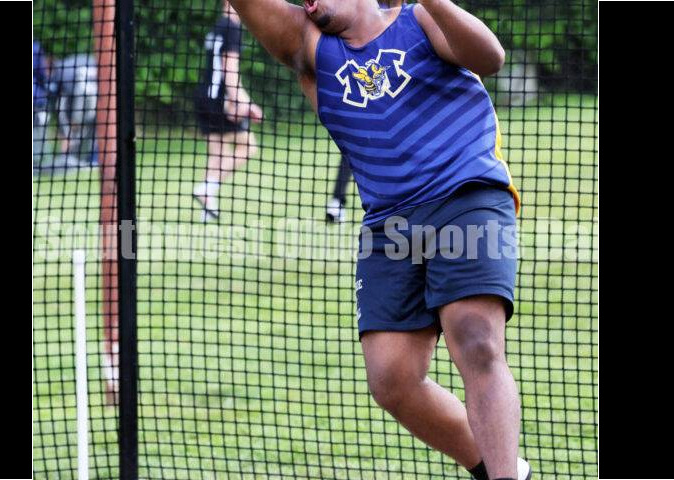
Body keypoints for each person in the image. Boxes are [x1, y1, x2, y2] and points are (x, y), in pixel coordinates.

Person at [223, 1, 530, 479]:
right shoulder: (313, 49)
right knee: (392, 381)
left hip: (465, 193)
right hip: (389, 223)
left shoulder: (418, 19)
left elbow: (490, 59)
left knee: (474, 336)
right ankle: (502, 468)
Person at [325, 0, 408, 223]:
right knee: (358, 146)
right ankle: (337, 203)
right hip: (364, 77)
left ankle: (338, 203)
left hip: (392, 82)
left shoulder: (404, 14)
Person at [192, 0, 263, 222]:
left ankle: (207, 209)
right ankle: (207, 187)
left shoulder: (219, 26)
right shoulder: (232, 27)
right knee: (248, 147)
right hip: (220, 101)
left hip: (203, 97)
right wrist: (244, 103)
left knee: (218, 153)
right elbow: (229, 72)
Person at [50, 53, 99, 168]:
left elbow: (60, 96)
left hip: (81, 98)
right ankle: (92, 158)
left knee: (69, 126)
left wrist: (72, 119)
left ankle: (68, 156)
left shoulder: (62, 68)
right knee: (93, 129)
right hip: (96, 96)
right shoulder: (87, 60)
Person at [33, 41, 51, 166]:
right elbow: (42, 74)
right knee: (39, 128)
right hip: (37, 96)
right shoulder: (35, 48)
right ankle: (40, 159)